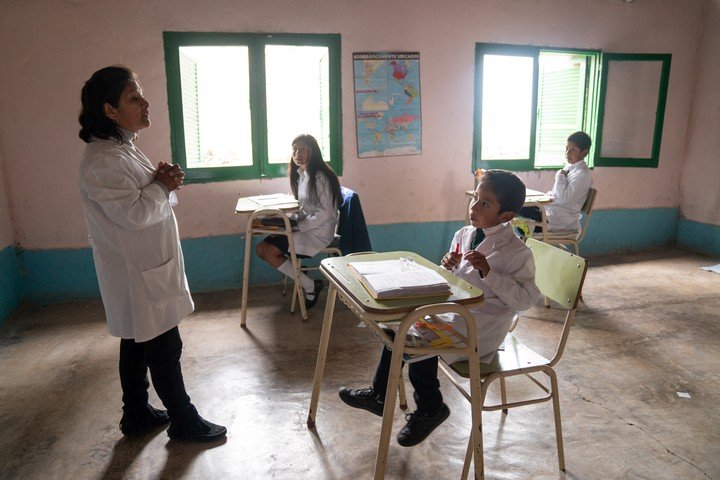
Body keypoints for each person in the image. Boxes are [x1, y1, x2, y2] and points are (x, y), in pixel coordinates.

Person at [338, 170, 542, 447]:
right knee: (402, 327)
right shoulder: (465, 233)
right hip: (456, 313)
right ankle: (380, 395)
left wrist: (489, 272)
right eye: (475, 198)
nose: (474, 206)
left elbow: (526, 299)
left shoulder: (516, 252)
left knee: (415, 339)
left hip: (482, 327)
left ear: (506, 216)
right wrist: (449, 265)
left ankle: (430, 407)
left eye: (485, 203)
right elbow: (458, 280)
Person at [78, 66, 226, 442]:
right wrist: (160, 184)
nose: (145, 103)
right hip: (137, 272)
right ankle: (184, 419)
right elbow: (134, 213)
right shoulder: (103, 161)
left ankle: (137, 412)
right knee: (163, 344)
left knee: (135, 339)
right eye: (134, 97)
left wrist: (162, 181)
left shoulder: (123, 148)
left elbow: (147, 199)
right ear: (110, 110)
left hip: (144, 269)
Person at [255, 134, 342, 309]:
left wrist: (297, 226)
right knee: (262, 248)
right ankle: (305, 280)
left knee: (266, 250)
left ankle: (310, 286)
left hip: (318, 233)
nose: (297, 153)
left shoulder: (320, 178)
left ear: (313, 151)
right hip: (306, 228)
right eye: (295, 149)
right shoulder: (303, 174)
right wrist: (284, 220)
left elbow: (324, 214)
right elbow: (305, 208)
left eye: (303, 149)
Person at [520, 131, 593, 232]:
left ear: (584, 152)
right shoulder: (569, 168)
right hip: (553, 212)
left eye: (573, 149)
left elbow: (565, 199)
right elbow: (558, 194)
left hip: (561, 220)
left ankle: (527, 239)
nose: (568, 153)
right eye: (566, 149)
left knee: (519, 210)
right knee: (518, 205)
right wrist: (548, 197)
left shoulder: (583, 175)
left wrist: (560, 177)